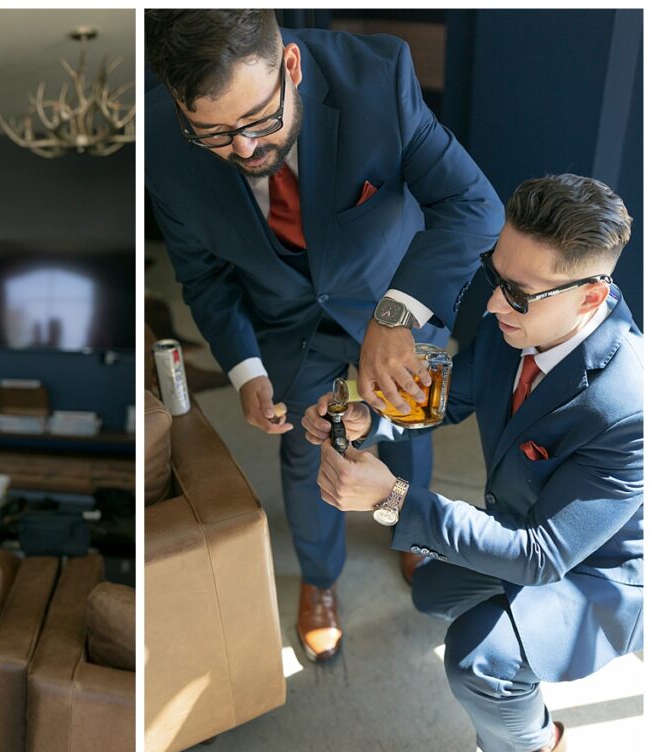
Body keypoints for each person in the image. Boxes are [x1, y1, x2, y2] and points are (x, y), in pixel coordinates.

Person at [145, 9, 503, 661]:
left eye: (258, 122)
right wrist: (247, 372)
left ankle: (414, 540)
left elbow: (476, 205)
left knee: (406, 434)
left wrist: (395, 316)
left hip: (394, 300)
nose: (246, 151)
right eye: (216, 136)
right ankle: (319, 577)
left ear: (291, 66)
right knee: (310, 458)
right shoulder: (161, 150)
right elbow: (204, 279)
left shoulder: (379, 78)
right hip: (290, 328)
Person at [305, 174, 642, 752]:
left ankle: (537, 745)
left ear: (590, 296)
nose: (490, 303)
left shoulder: (629, 408)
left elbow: (541, 557)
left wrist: (392, 499)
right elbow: (457, 396)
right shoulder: (513, 320)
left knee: (476, 661)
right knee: (431, 591)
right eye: (494, 274)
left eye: (517, 292)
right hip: (517, 523)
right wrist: (371, 418)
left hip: (593, 571)